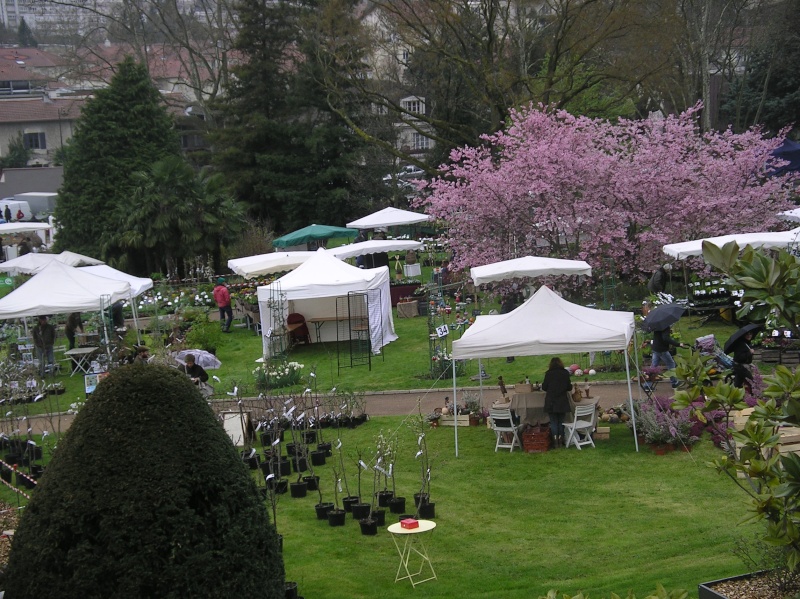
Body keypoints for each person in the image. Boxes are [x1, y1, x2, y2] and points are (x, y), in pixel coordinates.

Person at [542, 357, 572, 448]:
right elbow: (569, 387)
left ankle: (555, 442)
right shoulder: (565, 373)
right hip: (562, 401)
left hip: (551, 401)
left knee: (554, 422)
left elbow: (544, 387)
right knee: (561, 421)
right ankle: (561, 439)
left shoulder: (548, 374)